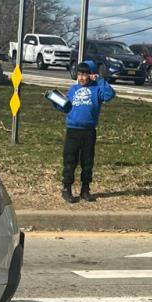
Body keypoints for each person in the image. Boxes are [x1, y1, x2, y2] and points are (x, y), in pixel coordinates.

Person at [61, 60, 115, 203]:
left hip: (89, 131)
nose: (82, 78)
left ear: (91, 75)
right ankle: (66, 188)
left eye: (85, 74)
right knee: (70, 160)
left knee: (87, 162)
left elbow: (110, 95)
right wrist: (57, 102)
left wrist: (99, 80)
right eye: (79, 74)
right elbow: (66, 107)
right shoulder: (73, 89)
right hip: (73, 131)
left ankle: (85, 189)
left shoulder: (97, 89)